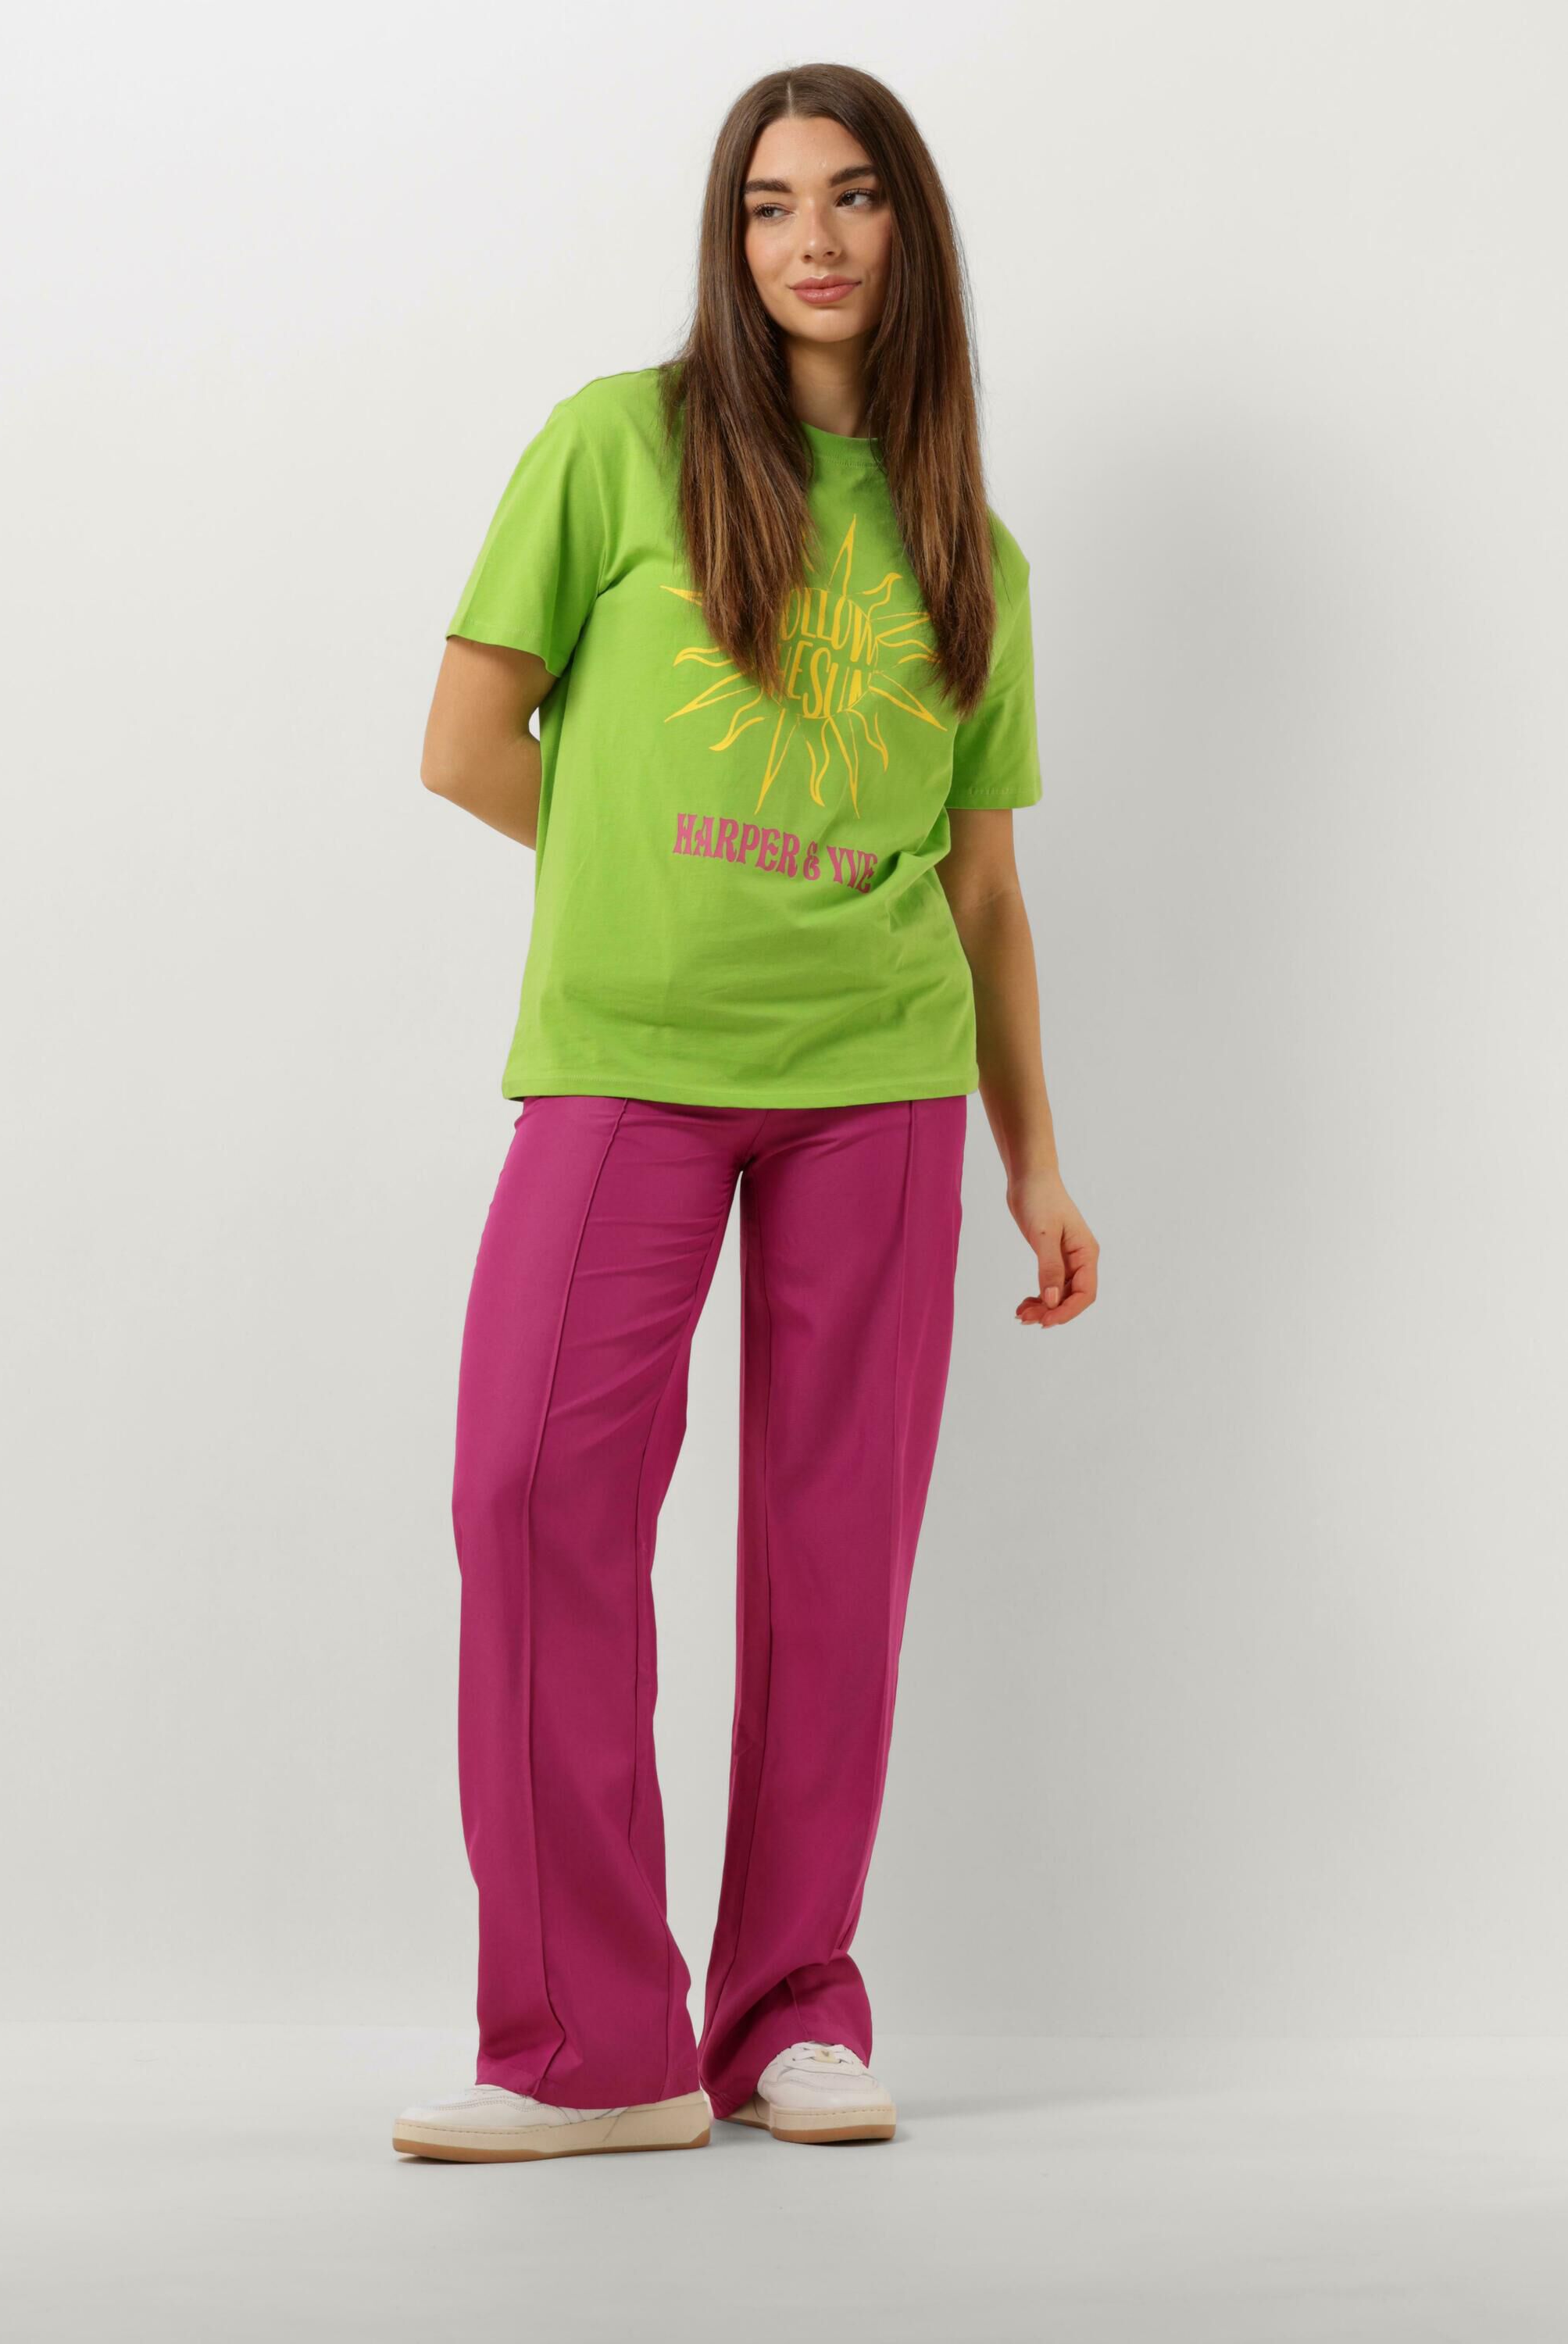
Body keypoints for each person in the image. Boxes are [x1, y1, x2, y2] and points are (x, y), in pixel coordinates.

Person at [393, 61, 1098, 2165]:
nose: (812, 237)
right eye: (772, 203)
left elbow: (982, 887)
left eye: (853, 197)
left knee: (829, 1548)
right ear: (730, 238)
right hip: (626, 1061)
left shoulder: (970, 551)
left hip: (878, 1088)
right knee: (532, 1491)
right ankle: (587, 2046)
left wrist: (1034, 1157)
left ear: (907, 233)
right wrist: (655, 883)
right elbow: (466, 742)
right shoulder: (614, 445)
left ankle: (791, 2009)